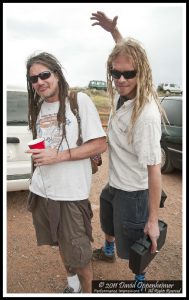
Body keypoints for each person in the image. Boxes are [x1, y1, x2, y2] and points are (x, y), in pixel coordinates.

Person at [90, 11, 167, 285]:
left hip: (134, 192)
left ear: (141, 72)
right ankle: (108, 250)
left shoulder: (145, 116)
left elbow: (154, 170)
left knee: (135, 242)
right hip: (115, 184)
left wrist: (152, 220)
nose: (120, 79)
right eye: (115, 73)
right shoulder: (124, 92)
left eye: (128, 74)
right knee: (108, 220)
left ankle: (140, 279)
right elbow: (127, 56)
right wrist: (114, 33)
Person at [25, 51, 107, 293]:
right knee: (60, 242)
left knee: (80, 254)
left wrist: (57, 156)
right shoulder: (38, 106)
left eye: (44, 75)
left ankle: (87, 289)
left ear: (57, 74)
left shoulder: (78, 101)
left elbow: (100, 144)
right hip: (42, 190)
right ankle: (72, 284)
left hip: (70, 195)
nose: (39, 82)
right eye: (33, 79)